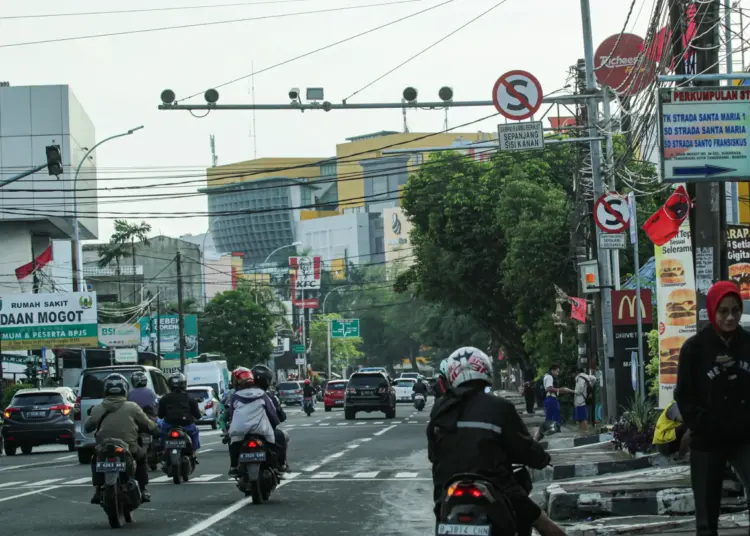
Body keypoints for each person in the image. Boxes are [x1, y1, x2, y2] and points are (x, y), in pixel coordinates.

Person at [427, 347, 565, 536]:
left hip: (447, 488)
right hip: (497, 485)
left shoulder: (440, 407)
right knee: (540, 521)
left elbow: (432, 454)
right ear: (485, 371)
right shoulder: (499, 407)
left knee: (441, 514)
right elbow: (523, 447)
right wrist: (541, 459)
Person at [674, 280, 750, 536]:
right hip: (707, 439)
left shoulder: (748, 344)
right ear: (712, 311)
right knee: (706, 517)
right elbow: (683, 395)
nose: (730, 317)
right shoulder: (694, 349)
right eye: (724, 311)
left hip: (744, 437)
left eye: (735, 310)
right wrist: (699, 424)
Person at [85, 373, 159, 504]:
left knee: (95, 460)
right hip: (129, 446)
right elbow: (148, 424)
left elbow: (88, 427)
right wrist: (155, 430)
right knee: (141, 457)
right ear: (124, 389)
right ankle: (143, 489)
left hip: (104, 446)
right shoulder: (132, 407)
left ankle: (97, 490)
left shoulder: (98, 408)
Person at [226, 369, 281, 476]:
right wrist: (275, 423)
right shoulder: (262, 394)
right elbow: (272, 412)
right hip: (261, 430)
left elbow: (231, 414)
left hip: (240, 431)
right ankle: (274, 467)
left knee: (234, 444)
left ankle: (233, 466)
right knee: (272, 446)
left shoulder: (234, 397)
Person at [251, 364, 289, 471]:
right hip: (265, 431)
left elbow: (229, 412)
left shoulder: (239, 394)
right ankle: (281, 464)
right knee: (282, 436)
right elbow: (278, 415)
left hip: (242, 432)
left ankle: (234, 466)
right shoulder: (268, 396)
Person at [157, 373, 202, 458]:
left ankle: (162, 450)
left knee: (162, 433)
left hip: (169, 426)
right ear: (184, 384)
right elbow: (198, 415)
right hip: (187, 426)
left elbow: (160, 415)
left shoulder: (164, 398)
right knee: (195, 431)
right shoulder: (190, 398)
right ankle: (193, 452)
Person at [573, 369, 597, 433]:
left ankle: (584, 433)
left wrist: (569, 390)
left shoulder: (579, 378)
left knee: (582, 419)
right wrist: (591, 385)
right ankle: (583, 432)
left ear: (576, 372)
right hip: (583, 400)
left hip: (580, 401)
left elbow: (579, 391)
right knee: (581, 419)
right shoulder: (587, 376)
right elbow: (594, 378)